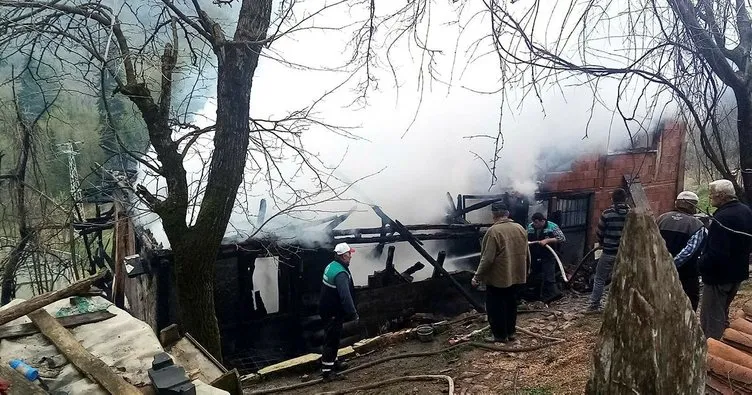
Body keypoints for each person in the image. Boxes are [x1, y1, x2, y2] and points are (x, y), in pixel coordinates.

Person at [676, 180, 752, 339]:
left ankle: (712, 353)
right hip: (738, 273)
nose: (710, 199)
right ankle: (727, 343)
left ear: (722, 196)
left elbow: (717, 253)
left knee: (711, 320)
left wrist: (700, 264)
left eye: (712, 196)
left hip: (719, 277)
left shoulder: (722, 218)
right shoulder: (746, 211)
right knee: (722, 312)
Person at [472, 202, 531, 343]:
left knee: (495, 307)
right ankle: (511, 333)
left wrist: (477, 276)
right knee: (511, 304)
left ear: (494, 215)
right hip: (516, 275)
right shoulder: (520, 228)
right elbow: (527, 252)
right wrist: (528, 269)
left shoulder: (493, 232)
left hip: (498, 278)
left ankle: (499, 336)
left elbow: (487, 258)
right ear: (507, 214)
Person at [657, 191, 705, 311]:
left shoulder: (661, 218)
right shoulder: (697, 224)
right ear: (693, 206)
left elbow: (652, 242)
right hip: (687, 273)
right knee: (689, 302)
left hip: (660, 269)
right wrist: (673, 265)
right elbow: (689, 251)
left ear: (676, 203)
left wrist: (663, 264)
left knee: (662, 300)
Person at [318, 243, 359, 379]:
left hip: (326, 309)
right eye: (349, 254)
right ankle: (327, 372)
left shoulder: (331, 266)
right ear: (342, 256)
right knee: (332, 340)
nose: (351, 256)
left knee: (332, 337)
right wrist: (353, 313)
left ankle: (333, 362)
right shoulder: (341, 273)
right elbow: (345, 297)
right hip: (333, 312)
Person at [587, 188, 630, 313]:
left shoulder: (607, 213)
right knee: (624, 278)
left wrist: (602, 243)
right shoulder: (632, 214)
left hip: (608, 252)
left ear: (612, 199)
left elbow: (599, 232)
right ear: (625, 198)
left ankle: (594, 305)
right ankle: (621, 306)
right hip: (625, 254)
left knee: (600, 278)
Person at [526, 212, 566, 303]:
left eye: (537, 222)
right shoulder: (530, 227)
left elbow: (562, 238)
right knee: (535, 275)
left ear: (542, 221)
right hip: (534, 256)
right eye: (534, 222)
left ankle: (552, 295)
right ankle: (536, 295)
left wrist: (547, 240)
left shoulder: (552, 226)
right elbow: (524, 237)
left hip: (548, 255)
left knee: (549, 276)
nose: (535, 225)